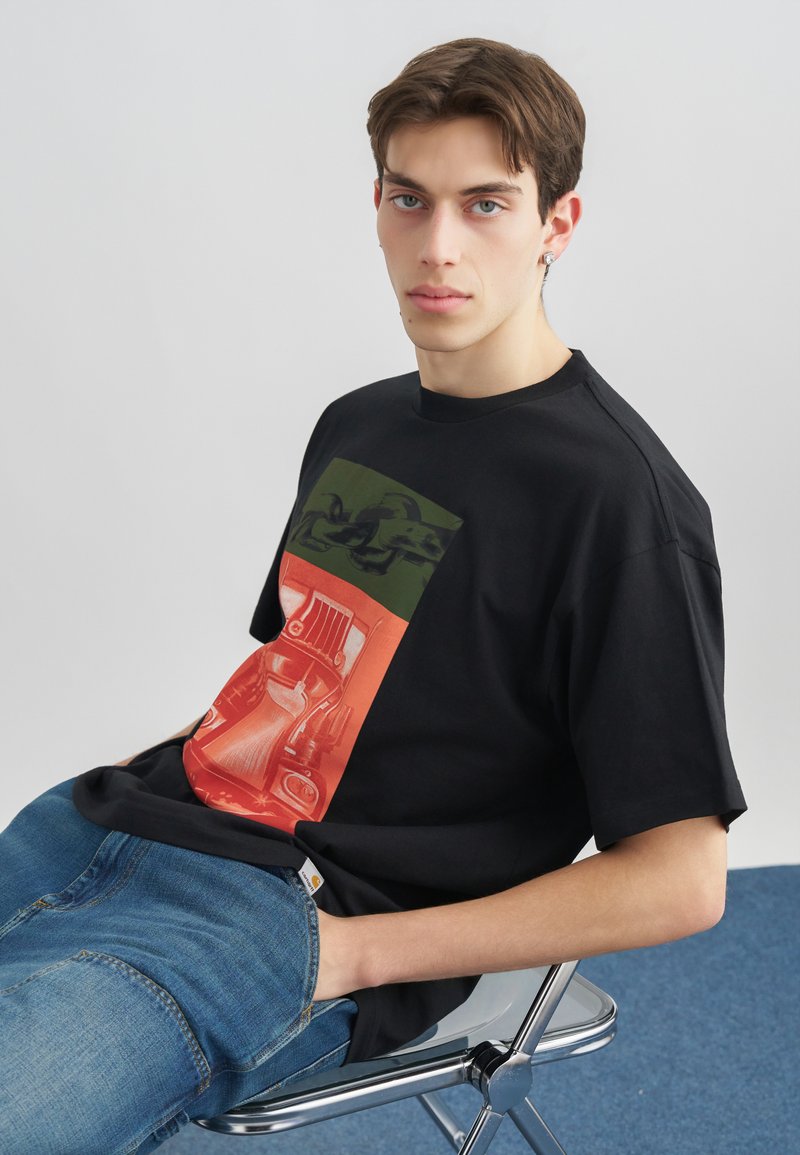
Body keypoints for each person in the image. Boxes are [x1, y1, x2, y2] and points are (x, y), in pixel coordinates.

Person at [0, 36, 746, 1154]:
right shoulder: (357, 424)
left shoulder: (619, 504)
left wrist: (351, 955)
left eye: (485, 205)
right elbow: (311, 683)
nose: (436, 246)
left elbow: (682, 880)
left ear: (558, 225)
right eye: (409, 198)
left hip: (282, 920)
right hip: (104, 823)